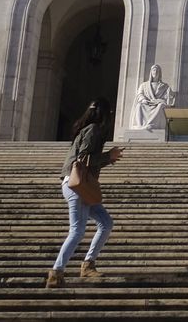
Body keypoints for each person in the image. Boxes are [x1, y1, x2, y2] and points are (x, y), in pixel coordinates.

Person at [46, 98, 122, 288]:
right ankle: (56, 272)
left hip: (82, 187)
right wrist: (108, 156)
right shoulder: (93, 130)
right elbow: (83, 159)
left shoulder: (87, 129)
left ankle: (88, 265)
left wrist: (107, 159)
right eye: (110, 113)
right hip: (77, 186)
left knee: (106, 223)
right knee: (77, 230)